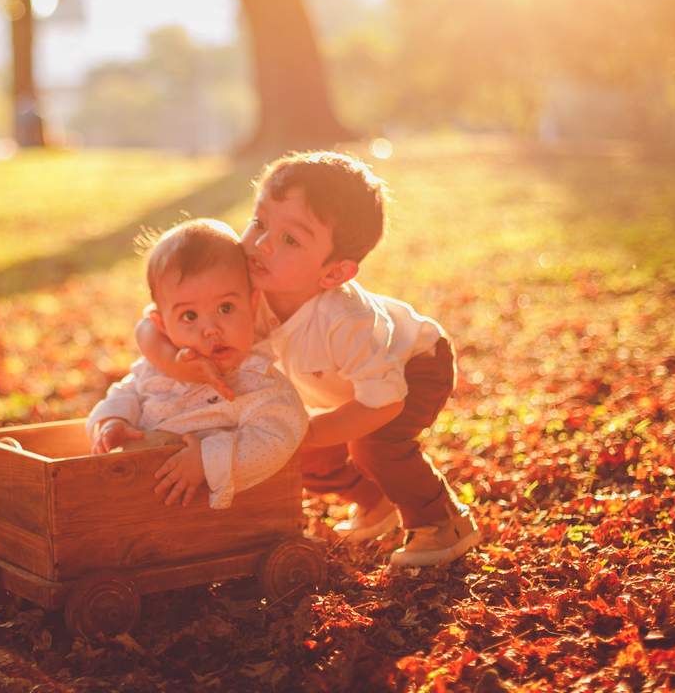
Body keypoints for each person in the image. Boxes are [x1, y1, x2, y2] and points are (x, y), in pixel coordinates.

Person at [137, 153, 480, 567]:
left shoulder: (345, 320)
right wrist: (178, 365)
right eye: (260, 223)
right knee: (300, 453)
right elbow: (149, 325)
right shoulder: (249, 281)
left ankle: (443, 522)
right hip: (343, 385)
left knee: (372, 445)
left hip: (414, 366)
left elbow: (384, 402)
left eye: (291, 239)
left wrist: (311, 431)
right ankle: (375, 502)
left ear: (334, 274)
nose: (262, 243)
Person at [86, 218, 309, 510]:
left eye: (225, 308)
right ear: (162, 324)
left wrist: (206, 460)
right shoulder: (159, 366)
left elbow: (278, 434)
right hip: (131, 489)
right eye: (189, 316)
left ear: (252, 305)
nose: (211, 329)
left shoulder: (258, 382)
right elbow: (128, 390)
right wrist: (112, 421)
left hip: (197, 509)